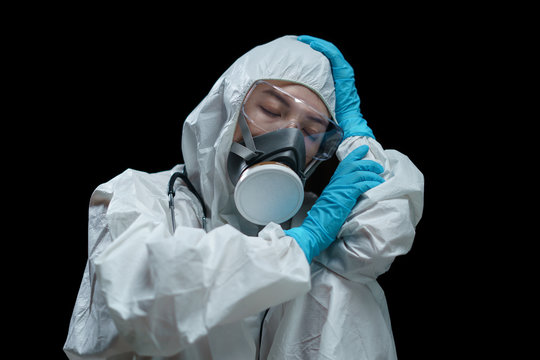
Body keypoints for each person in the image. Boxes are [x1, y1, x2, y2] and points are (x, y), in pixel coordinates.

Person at [64, 35, 424, 359]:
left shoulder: (319, 219)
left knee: (340, 282)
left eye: (312, 131)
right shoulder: (140, 197)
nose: (290, 140)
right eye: (270, 111)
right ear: (229, 107)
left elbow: (383, 236)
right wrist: (296, 248)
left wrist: (358, 139)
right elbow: (142, 304)